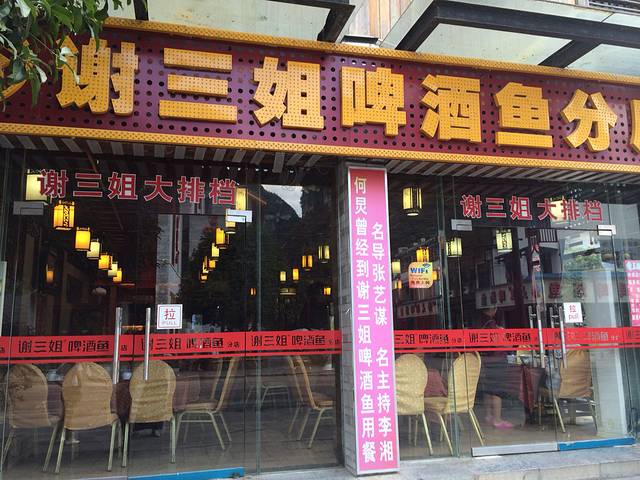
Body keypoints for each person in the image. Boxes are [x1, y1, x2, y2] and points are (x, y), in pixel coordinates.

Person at [477, 306, 514, 429]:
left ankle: (488, 415)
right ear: (493, 309)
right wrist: (504, 335)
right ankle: (497, 420)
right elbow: (503, 345)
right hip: (497, 360)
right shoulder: (492, 325)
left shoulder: (480, 322)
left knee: (488, 388)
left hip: (486, 359)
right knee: (497, 389)